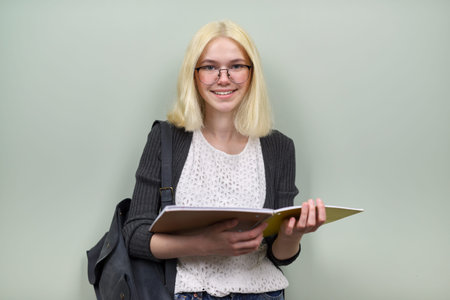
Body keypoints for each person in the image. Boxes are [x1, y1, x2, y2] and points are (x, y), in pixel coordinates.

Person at [123, 20, 326, 300]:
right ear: (193, 75)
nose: (223, 77)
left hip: (264, 294)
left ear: (252, 74)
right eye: (209, 67)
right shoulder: (165, 138)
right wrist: (205, 244)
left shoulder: (279, 147)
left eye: (236, 66)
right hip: (188, 294)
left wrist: (293, 234)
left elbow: (280, 256)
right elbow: (134, 236)